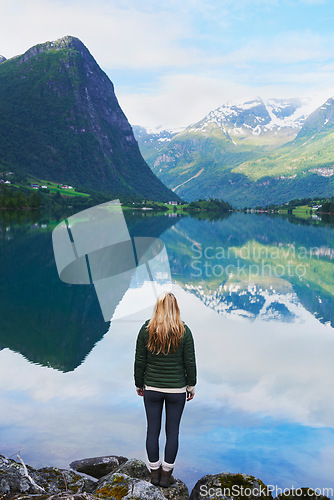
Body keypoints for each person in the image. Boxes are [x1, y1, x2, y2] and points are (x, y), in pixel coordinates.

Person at [134, 291, 197, 488]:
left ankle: (154, 473)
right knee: (173, 432)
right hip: (177, 390)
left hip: (151, 388)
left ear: (157, 308)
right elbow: (190, 362)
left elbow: (139, 361)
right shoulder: (184, 331)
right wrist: (191, 385)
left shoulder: (146, 329)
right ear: (175, 308)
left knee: (152, 431)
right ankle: (166, 476)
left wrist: (138, 383)